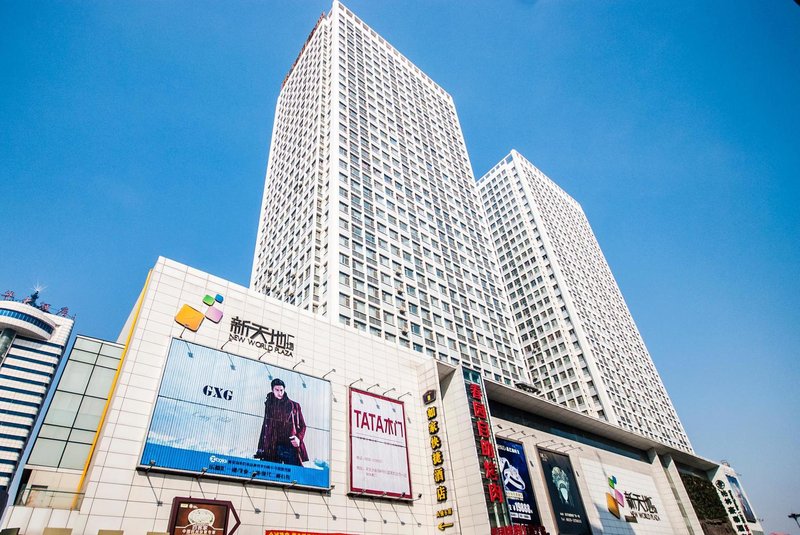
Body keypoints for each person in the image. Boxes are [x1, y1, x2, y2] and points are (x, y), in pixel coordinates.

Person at [254, 378, 308, 465]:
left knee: (294, 472)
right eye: (277, 390)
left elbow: (303, 426)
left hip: (289, 445)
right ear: (272, 390)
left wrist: (298, 438)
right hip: (271, 446)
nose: (279, 393)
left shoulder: (294, 406)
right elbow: (265, 427)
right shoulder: (269, 404)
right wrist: (261, 447)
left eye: (281, 390)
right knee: (270, 471)